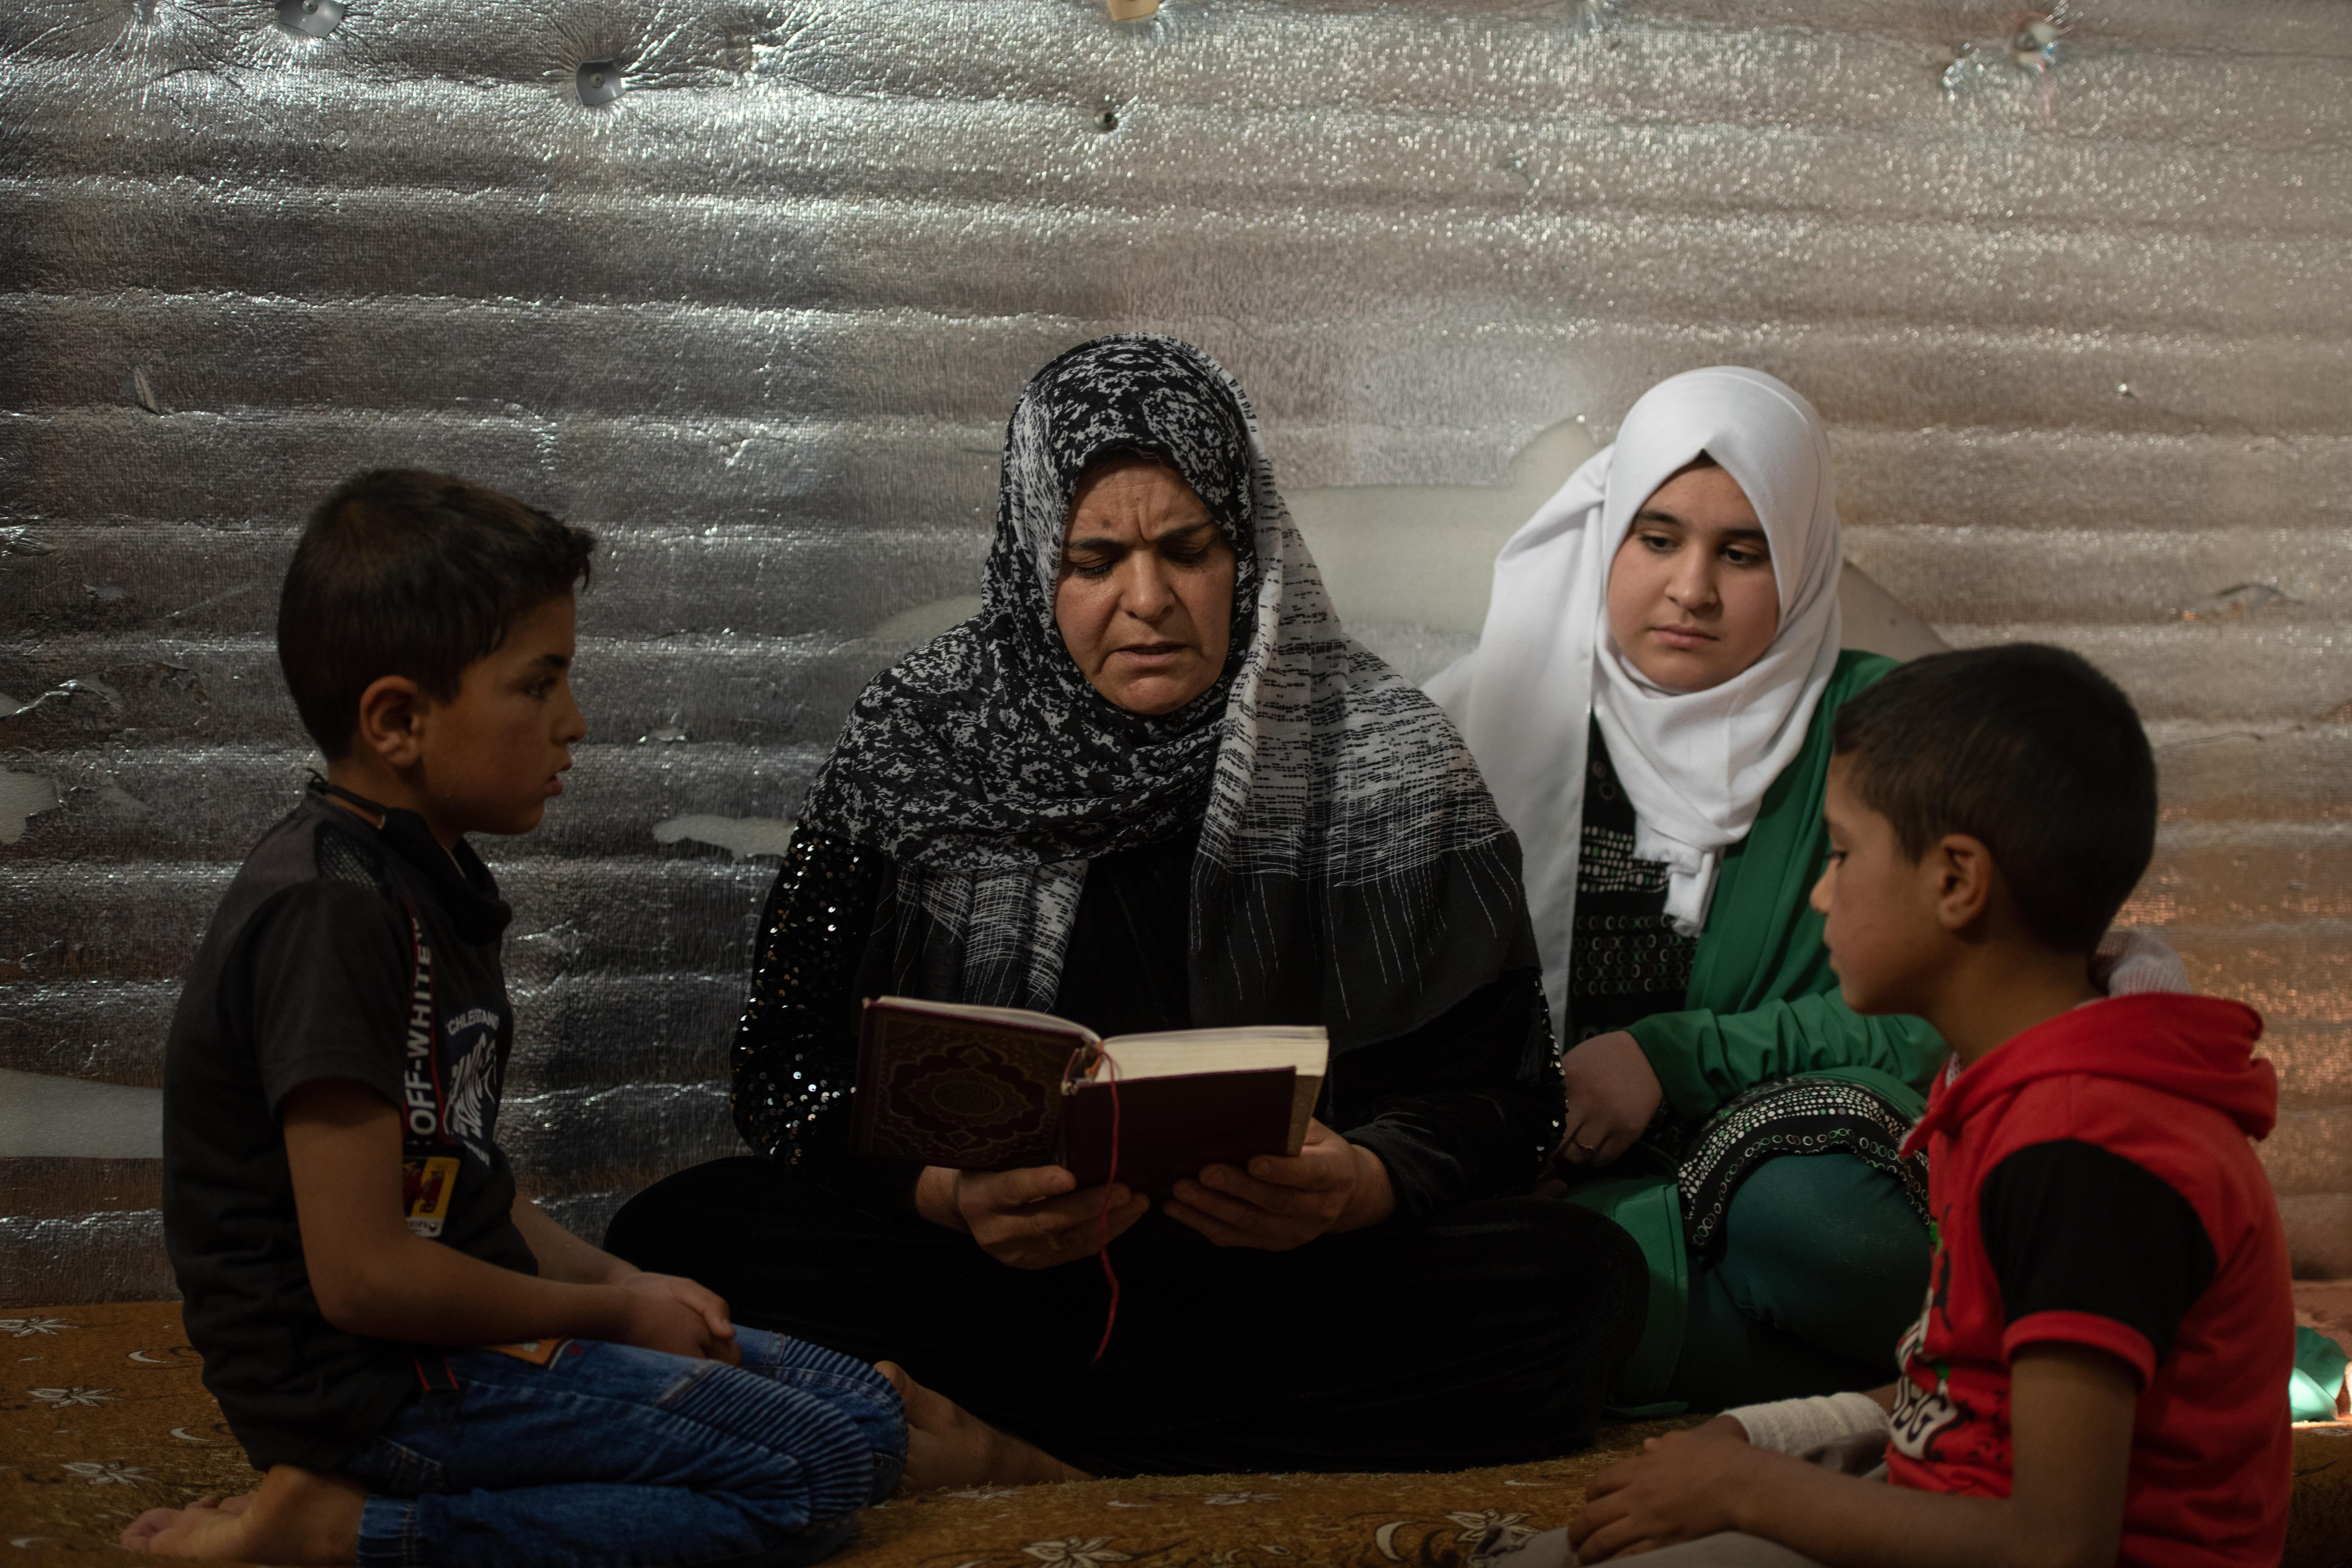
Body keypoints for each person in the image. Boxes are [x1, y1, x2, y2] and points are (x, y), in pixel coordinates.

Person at [605, 334, 1648, 1478]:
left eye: (1185, 550)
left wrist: (1359, 1183)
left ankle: (1004, 1439)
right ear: (1030, 560)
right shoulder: (920, 738)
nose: (1145, 601)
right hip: (997, 1273)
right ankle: (1208, 1440)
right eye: (1094, 557)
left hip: (1285, 1280)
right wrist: (950, 1195)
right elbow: (785, 1062)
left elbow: (1507, 1094)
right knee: (681, 1234)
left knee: (1578, 1278)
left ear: (1244, 548)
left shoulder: (1385, 753)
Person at [128, 470, 1013, 1567]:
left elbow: (465, 1188)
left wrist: (623, 1284)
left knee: (861, 1413)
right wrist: (611, 1324)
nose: (575, 724)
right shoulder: (331, 914)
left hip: (446, 1350)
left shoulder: (423, 880)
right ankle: (348, 1527)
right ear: (399, 720)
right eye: (538, 686)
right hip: (367, 1386)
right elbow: (364, 1276)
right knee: (820, 1477)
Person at [1557, 643, 2293, 1567]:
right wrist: (1762, 1441)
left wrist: (1751, 1490)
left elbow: (2055, 1547)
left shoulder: (2083, 1151)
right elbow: (1962, 1395)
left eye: (1842, 852)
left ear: (1955, 881)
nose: (1822, 891)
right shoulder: (2006, 1093)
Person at [1427, 368, 1944, 1410]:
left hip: (1783, 1173)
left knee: (1834, 1231)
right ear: (1608, 534)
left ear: (1800, 562)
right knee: (1420, 1258)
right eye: (1658, 539)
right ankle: (1869, 1389)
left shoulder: (1883, 731)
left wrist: (1669, 1057)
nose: (1692, 588)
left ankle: (1600, 1342)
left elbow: (1932, 1022)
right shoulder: (1483, 724)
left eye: (1742, 552)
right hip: (1534, 1177)